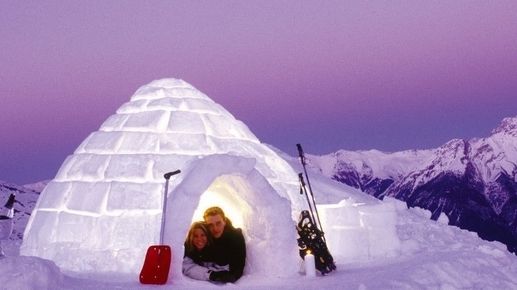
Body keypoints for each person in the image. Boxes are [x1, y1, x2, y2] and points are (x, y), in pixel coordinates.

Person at [203, 206, 246, 283]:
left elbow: (239, 263)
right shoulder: (203, 235)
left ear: (224, 221)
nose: (215, 229)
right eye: (210, 225)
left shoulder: (235, 236)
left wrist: (232, 276)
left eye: (218, 223)